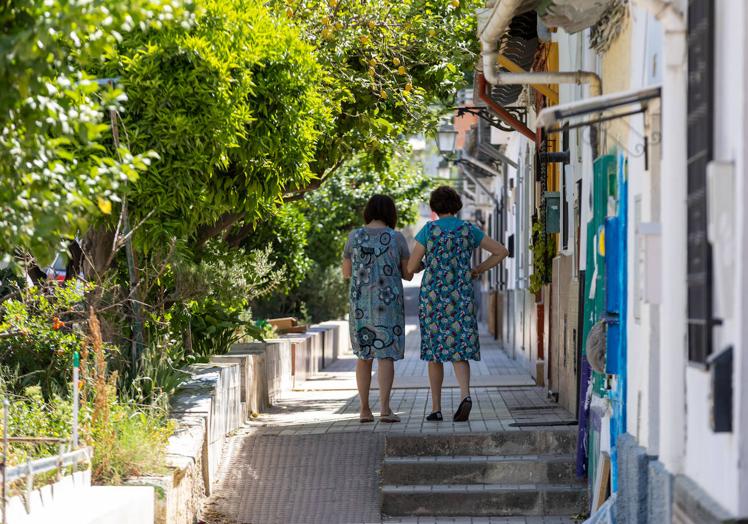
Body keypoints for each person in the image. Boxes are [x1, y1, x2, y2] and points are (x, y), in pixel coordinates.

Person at [407, 186, 508, 422]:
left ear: (434, 208)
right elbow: (501, 251)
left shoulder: (428, 231)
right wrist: (477, 270)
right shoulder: (468, 230)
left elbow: (411, 267)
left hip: (433, 299)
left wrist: (427, 263)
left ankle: (436, 408)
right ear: (456, 205)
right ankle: (465, 395)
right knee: (459, 349)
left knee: (434, 353)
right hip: (461, 296)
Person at [343, 194, 413, 423]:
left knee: (363, 357)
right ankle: (385, 409)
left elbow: (346, 273)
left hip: (360, 303)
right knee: (386, 356)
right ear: (390, 213)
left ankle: (364, 410)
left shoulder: (354, 236)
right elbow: (407, 274)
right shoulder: (396, 238)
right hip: (388, 303)